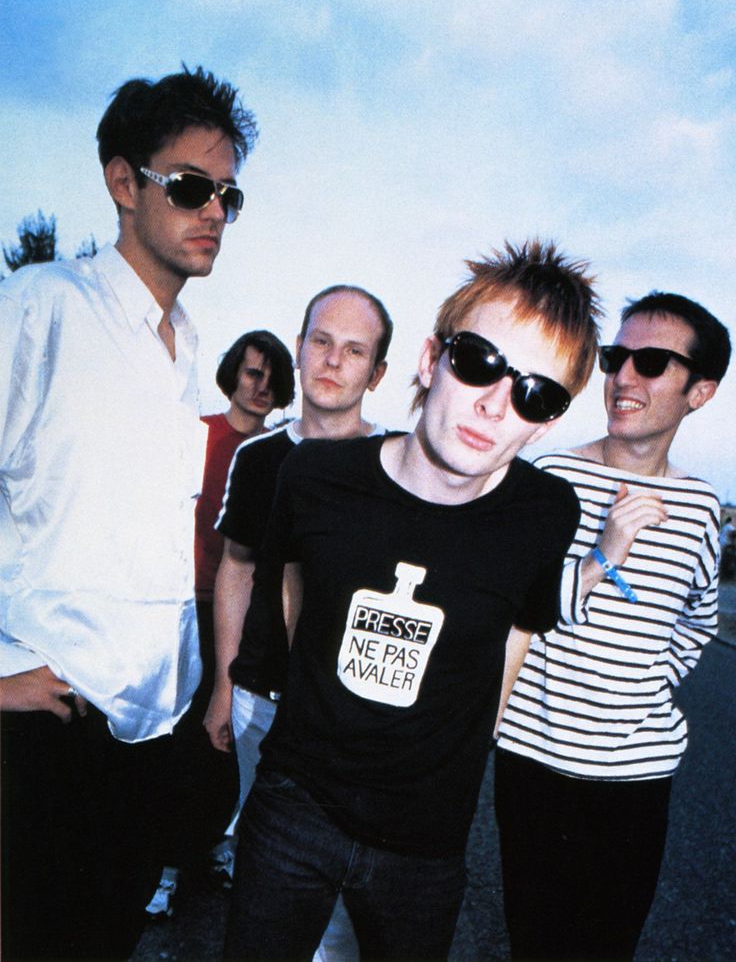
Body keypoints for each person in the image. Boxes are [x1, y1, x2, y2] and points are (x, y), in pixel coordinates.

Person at [222, 240, 601, 960]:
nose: (495, 403)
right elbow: (298, 598)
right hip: (296, 804)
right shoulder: (315, 477)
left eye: (535, 392)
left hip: (427, 842)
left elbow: (515, 635)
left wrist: (468, 745)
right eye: (481, 362)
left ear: (547, 421)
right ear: (432, 359)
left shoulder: (546, 512)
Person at [0, 66, 256, 961]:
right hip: (45, 721)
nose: (214, 211)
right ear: (122, 182)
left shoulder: (188, 350)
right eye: (190, 187)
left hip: (148, 728)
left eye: (228, 194)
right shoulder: (41, 308)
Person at [495, 291, 731, 961]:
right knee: (537, 945)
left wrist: (646, 681)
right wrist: (603, 555)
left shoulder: (702, 506)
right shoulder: (550, 476)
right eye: (617, 357)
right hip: (535, 759)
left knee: (608, 946)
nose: (624, 377)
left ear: (701, 391)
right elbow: (517, 606)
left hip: (637, 774)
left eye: (652, 362)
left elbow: (698, 620)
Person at [205, 283, 392, 959]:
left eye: (354, 350)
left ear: (377, 373)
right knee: (269, 877)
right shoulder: (257, 459)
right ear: (300, 346)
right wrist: (226, 684)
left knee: (345, 889)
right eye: (321, 341)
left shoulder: (401, 463)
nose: (332, 361)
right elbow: (237, 566)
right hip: (263, 700)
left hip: (357, 718)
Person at [148, 330, 296, 915]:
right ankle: (163, 865)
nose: (261, 386)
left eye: (272, 378)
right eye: (252, 372)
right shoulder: (199, 434)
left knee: (230, 739)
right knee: (181, 737)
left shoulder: (281, 452)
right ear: (233, 373)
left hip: (240, 613)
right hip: (182, 602)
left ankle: (215, 846)